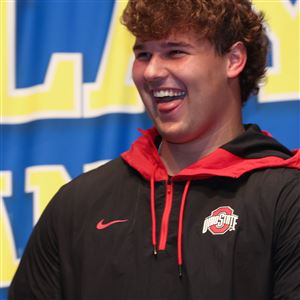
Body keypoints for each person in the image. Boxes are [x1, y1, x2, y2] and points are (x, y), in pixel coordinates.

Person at [9, 0, 300, 299]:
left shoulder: (287, 197)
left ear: (233, 59)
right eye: (143, 54)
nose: (151, 71)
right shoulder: (77, 204)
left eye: (175, 52)